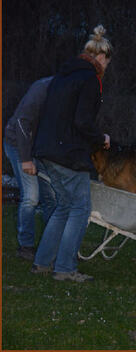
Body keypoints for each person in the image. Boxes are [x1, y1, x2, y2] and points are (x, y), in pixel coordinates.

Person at [31, 25, 112, 282]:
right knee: (80, 208)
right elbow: (82, 122)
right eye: (107, 62)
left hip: (46, 151)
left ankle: (43, 263)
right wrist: (102, 139)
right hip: (68, 154)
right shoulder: (90, 79)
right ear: (102, 57)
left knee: (64, 207)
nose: (107, 67)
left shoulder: (62, 76)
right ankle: (65, 268)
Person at [4, 77, 57, 260]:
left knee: (51, 197)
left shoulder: (69, 92)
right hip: (18, 144)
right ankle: (25, 247)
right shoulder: (42, 89)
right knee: (31, 197)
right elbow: (22, 122)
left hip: (38, 148)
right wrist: (26, 160)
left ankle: (52, 245)